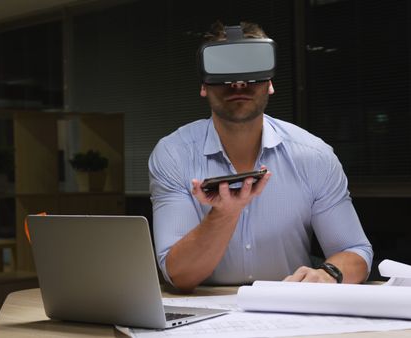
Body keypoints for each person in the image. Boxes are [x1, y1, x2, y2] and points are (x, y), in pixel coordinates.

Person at [148, 21, 372, 292]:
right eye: (225, 71)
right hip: (202, 314)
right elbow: (178, 274)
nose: (239, 83)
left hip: (289, 307)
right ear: (204, 85)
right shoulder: (173, 155)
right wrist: (224, 215)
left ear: (270, 84)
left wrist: (327, 275)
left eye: (251, 71)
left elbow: (355, 251)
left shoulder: (314, 156)